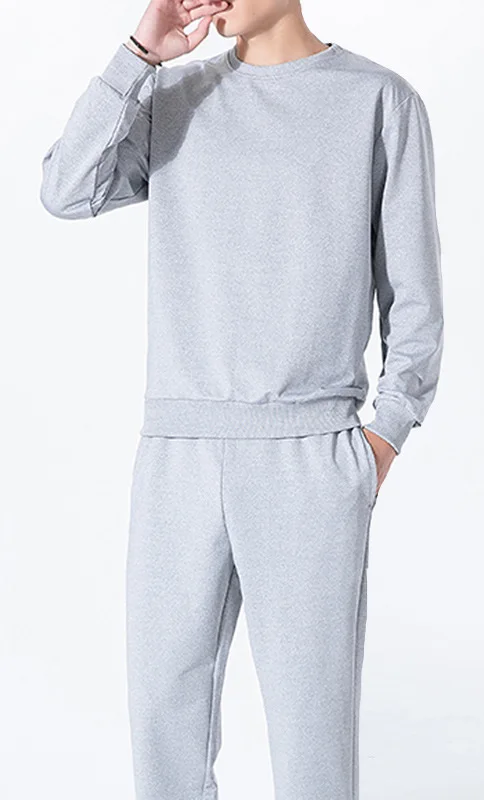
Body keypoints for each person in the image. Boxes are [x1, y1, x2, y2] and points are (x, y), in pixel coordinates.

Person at [40, 1, 443, 798]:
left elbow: (417, 303)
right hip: (178, 451)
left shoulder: (378, 100)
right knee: (163, 723)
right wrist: (139, 53)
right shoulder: (172, 98)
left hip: (311, 455)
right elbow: (65, 189)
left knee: (311, 735)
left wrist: (382, 440)